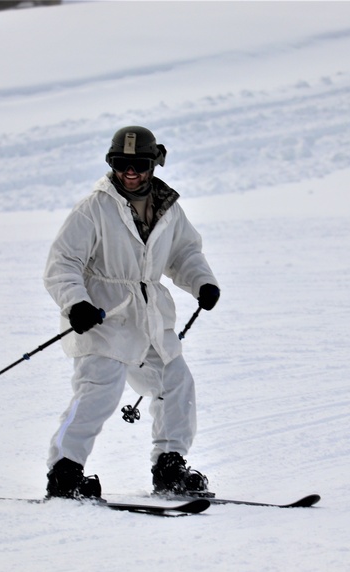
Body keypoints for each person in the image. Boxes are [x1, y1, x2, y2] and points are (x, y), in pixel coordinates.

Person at [42, 126, 220, 500]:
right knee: (99, 391)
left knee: (176, 383)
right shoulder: (94, 208)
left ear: (154, 163)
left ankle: (170, 467)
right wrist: (76, 303)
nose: (131, 172)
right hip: (103, 317)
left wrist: (201, 282)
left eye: (139, 163)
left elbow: (184, 253)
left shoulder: (168, 209)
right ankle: (65, 471)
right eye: (121, 164)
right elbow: (63, 263)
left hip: (150, 318)